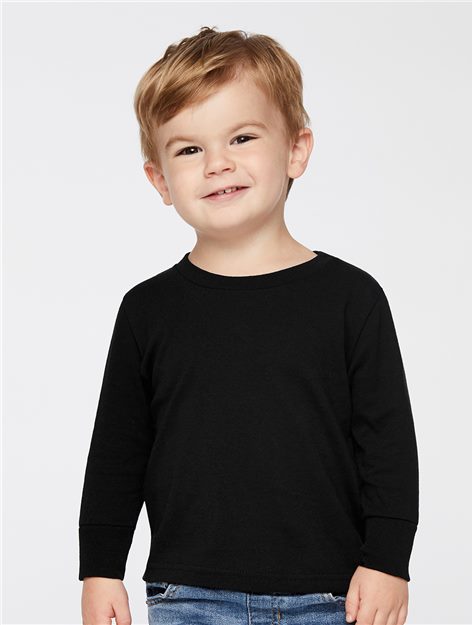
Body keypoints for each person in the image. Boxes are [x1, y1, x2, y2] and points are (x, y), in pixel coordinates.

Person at [79, 26, 419, 625]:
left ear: (296, 150)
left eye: (241, 137)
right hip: (188, 596)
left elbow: (387, 444)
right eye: (189, 150)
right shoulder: (147, 311)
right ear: (159, 180)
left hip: (331, 595)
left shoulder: (352, 299)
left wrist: (388, 561)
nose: (218, 164)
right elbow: (117, 451)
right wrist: (100, 568)